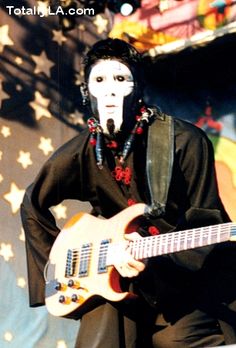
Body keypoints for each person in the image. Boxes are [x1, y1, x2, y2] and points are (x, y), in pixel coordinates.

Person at [21, 38, 236, 348]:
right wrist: (67, 265)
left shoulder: (185, 141)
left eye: (120, 79)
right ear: (87, 92)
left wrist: (150, 254)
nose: (109, 90)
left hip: (177, 282)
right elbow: (32, 204)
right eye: (99, 80)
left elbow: (206, 220)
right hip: (110, 278)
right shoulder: (80, 151)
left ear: (138, 87)